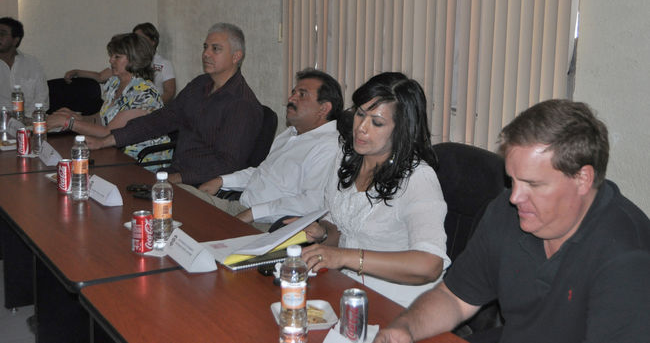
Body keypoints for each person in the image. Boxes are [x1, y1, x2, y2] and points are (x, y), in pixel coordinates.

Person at [374, 99, 650, 343]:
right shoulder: (507, 212)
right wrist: (406, 327)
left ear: (582, 179)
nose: (515, 197)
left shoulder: (627, 257)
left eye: (533, 184)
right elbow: (454, 298)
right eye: (512, 180)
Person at [301, 72, 450, 308]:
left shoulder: (418, 179)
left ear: (401, 129)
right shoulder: (346, 159)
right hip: (348, 290)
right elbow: (341, 229)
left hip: (398, 303)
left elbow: (429, 265)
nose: (361, 128)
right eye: (360, 114)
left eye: (377, 122)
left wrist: (345, 257)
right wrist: (323, 233)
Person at [87, 22, 263, 186]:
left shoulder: (242, 104)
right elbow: (160, 120)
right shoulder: (200, 85)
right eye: (205, 47)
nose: (206, 54)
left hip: (200, 184)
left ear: (236, 56)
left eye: (215, 49)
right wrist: (106, 141)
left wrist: (175, 178)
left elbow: (227, 164)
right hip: (173, 172)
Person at [196, 68, 343, 229]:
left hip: (266, 225)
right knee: (181, 196)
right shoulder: (290, 133)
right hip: (239, 208)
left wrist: (253, 213)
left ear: (323, 108)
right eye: (293, 92)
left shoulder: (329, 146)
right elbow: (262, 173)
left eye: (302, 94)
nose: (291, 98)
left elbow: (311, 202)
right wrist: (221, 181)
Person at [47, 33, 171, 167]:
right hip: (115, 153)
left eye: (117, 56)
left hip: (142, 161)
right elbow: (102, 118)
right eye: (111, 55)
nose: (111, 60)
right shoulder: (115, 82)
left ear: (134, 59)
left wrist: (68, 123)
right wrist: (78, 118)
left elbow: (108, 132)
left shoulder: (144, 92)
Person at [65, 22, 176, 103]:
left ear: (153, 41)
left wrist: (152, 105)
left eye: (140, 38)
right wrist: (77, 72)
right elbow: (100, 76)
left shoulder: (163, 63)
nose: (137, 42)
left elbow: (170, 92)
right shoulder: (122, 68)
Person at [0, 17, 49, 114]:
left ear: (15, 40)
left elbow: (42, 99)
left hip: (29, 119)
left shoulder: (32, 63)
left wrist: (27, 118)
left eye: (2, 34)